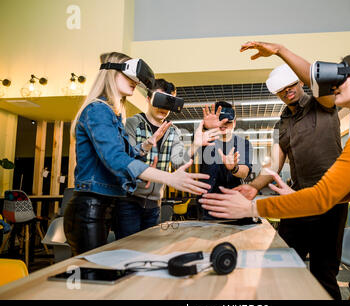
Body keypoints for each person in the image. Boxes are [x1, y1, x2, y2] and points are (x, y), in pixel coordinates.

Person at [199, 42, 350, 300]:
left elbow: (323, 197)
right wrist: (259, 188)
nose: (336, 82)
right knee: (283, 261)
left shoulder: (337, 110)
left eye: (343, 76)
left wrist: (252, 209)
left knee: (324, 271)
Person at [64, 52, 211, 256]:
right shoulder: (99, 110)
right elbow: (118, 160)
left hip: (105, 206)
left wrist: (147, 146)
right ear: (111, 73)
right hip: (92, 207)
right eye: (130, 76)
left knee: (122, 264)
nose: (135, 82)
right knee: (94, 275)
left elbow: (127, 153)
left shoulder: (113, 114)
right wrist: (169, 178)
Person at [232, 56, 348, 299]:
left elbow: (318, 79)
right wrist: (253, 187)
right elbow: (274, 163)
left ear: (299, 83)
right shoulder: (282, 124)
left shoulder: (322, 102)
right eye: (281, 91)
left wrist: (279, 50)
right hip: (297, 199)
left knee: (323, 273)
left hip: (330, 199)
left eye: (291, 86)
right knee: (279, 260)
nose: (287, 92)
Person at [115, 79, 223, 239]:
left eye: (170, 102)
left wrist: (196, 144)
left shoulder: (173, 131)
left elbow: (179, 161)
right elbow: (126, 160)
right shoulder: (132, 123)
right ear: (148, 99)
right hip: (128, 201)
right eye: (160, 99)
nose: (165, 107)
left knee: (150, 249)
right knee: (125, 250)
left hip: (155, 203)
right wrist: (147, 144)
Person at [200, 101, 253, 220]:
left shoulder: (243, 144)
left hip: (234, 202)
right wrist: (206, 127)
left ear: (234, 122)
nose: (223, 125)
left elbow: (244, 171)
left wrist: (234, 167)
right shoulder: (206, 140)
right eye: (220, 121)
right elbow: (198, 137)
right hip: (210, 204)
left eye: (228, 122)